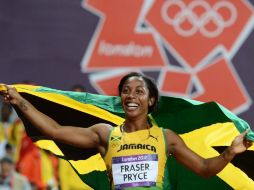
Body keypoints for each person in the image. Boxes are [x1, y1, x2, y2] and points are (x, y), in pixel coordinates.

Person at [0, 72, 252, 189]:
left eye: (139, 91)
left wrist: (230, 152)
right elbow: (55, 131)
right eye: (126, 91)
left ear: (151, 100)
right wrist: (20, 102)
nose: (131, 96)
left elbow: (205, 169)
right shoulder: (105, 134)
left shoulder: (166, 138)